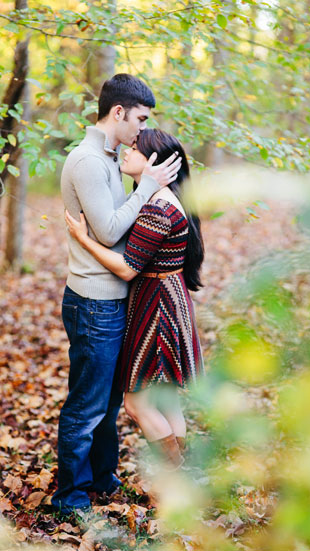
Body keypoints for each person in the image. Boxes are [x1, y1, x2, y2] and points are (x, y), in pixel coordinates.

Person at [54, 74, 182, 515]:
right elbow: (109, 232)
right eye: (140, 119)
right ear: (118, 112)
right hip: (94, 300)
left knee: (107, 403)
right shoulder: (88, 161)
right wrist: (146, 186)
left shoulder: (109, 158)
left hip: (113, 298)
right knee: (88, 405)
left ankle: (102, 480)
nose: (141, 131)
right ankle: (70, 497)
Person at [65, 128, 204, 470]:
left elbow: (127, 269)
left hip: (158, 308)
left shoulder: (159, 207)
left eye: (136, 149)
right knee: (168, 402)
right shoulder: (165, 198)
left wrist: (84, 240)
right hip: (167, 301)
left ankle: (172, 485)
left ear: (153, 161)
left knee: (137, 405)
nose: (127, 152)